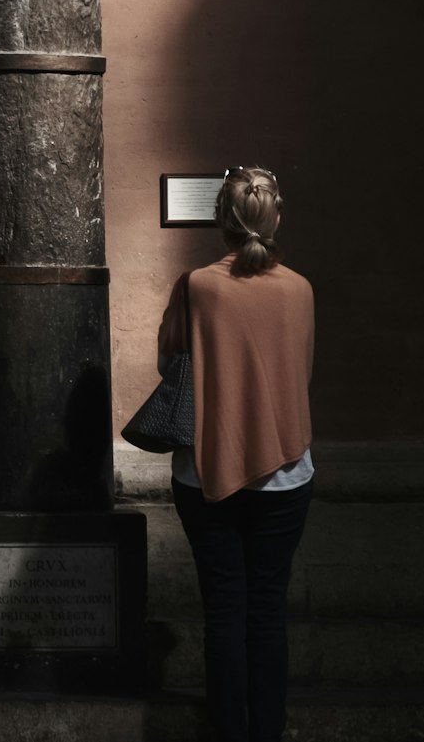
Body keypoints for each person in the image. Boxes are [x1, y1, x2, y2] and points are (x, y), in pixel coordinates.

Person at [158, 166, 314, 742]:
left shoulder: (196, 285)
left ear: (222, 219)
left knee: (224, 609)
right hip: (286, 473)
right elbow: (301, 374)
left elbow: (167, 363)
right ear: (274, 219)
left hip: (205, 472)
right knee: (268, 612)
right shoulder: (300, 289)